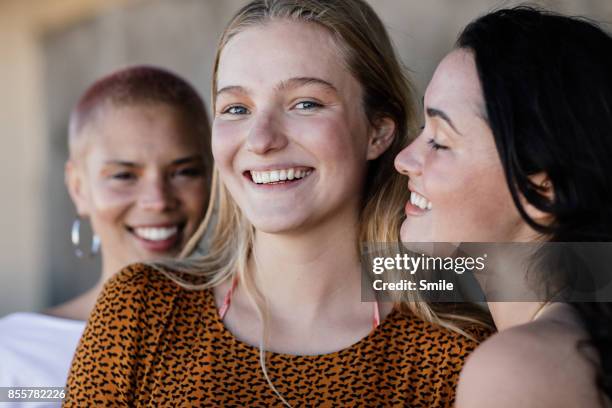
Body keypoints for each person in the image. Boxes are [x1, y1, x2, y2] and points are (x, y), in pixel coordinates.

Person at [64, 1, 491, 407]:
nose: (262, 139)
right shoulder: (139, 309)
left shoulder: (456, 346)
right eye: (236, 108)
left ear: (377, 131)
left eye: (305, 103)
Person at [395, 7, 612, 408]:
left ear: (542, 190)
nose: (404, 160)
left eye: (440, 141)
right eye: (423, 129)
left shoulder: (520, 371)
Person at [0, 66, 212, 404]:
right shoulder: (14, 353)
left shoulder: (262, 335)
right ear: (78, 188)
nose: (157, 200)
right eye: (125, 176)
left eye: (185, 172)